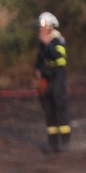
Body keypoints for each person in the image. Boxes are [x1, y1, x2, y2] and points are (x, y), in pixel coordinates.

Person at [34, 12, 71, 152]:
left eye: (42, 26)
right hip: (46, 80)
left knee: (60, 109)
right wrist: (37, 70)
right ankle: (53, 145)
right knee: (48, 112)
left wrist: (47, 43)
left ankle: (66, 144)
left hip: (58, 78)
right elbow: (38, 60)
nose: (40, 29)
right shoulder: (42, 43)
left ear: (50, 26)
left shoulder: (58, 40)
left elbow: (58, 58)